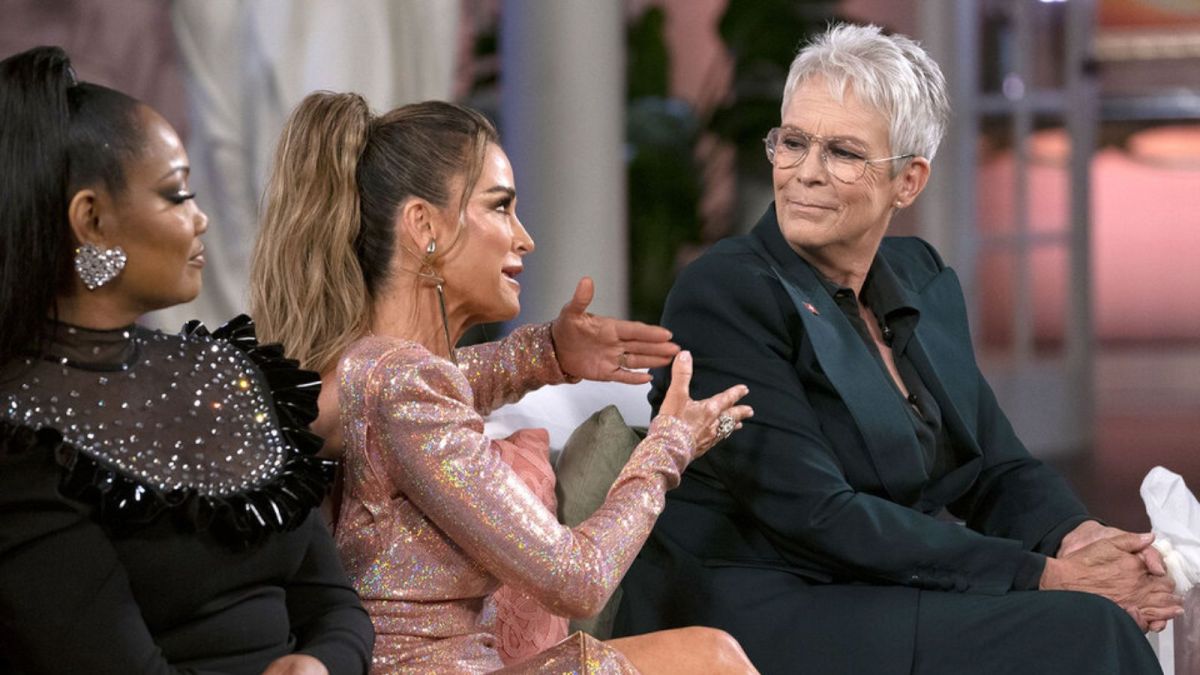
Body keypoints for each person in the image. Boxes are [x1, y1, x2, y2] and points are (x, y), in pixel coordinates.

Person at [613, 23, 1180, 674]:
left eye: (843, 152)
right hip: (759, 608)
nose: (805, 174)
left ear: (908, 181)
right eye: (793, 142)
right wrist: (1045, 575)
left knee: (1099, 614)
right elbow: (819, 515)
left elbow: (996, 466)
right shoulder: (725, 293)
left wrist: (1081, 538)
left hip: (872, 588)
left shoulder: (918, 277)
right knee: (1085, 627)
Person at [247, 93, 758, 674]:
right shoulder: (401, 384)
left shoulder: (371, 371)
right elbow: (579, 579)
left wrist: (546, 352)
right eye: (500, 207)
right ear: (424, 226)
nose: (524, 238)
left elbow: (439, 387)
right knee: (711, 658)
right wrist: (668, 448)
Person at [0, 46, 373, 674]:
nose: (200, 220)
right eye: (176, 195)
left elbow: (335, 605)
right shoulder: (23, 439)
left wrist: (321, 664)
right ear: (91, 220)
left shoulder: (229, 372)